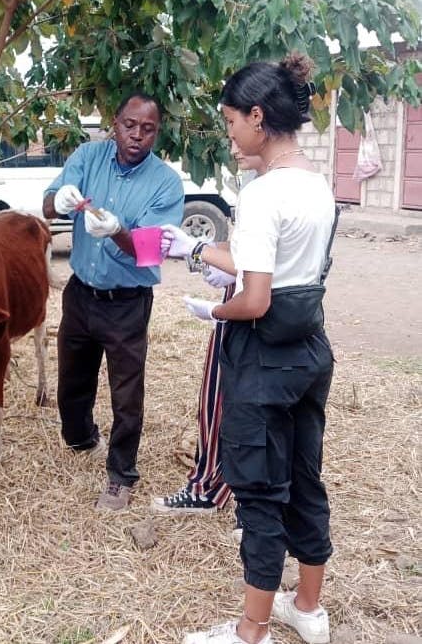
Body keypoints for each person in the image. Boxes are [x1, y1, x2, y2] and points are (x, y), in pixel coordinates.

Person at [162, 53, 336, 644]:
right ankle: (307, 608)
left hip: (263, 357)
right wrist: (195, 251)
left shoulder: (261, 194)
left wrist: (214, 309)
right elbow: (270, 265)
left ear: (258, 117)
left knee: (261, 494)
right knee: (304, 479)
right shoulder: (317, 186)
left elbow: (255, 297)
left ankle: (249, 632)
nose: (230, 132)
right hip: (309, 349)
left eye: (232, 120)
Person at [42, 92, 185, 511]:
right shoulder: (88, 157)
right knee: (71, 382)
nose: (137, 136)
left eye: (148, 129)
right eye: (129, 125)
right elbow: (48, 203)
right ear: (114, 122)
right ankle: (81, 436)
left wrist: (119, 231)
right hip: (81, 293)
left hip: (126, 303)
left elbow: (151, 248)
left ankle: (121, 474)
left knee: (126, 393)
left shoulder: (165, 183)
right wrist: (61, 199)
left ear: (157, 132)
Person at [150, 151, 266, 519]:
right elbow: (247, 253)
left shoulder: (272, 190)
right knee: (219, 396)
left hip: (258, 309)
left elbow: (265, 267)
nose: (231, 146)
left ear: (259, 119)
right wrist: (219, 262)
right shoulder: (258, 181)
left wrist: (200, 250)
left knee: (238, 404)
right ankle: (215, 488)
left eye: (234, 127)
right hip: (249, 298)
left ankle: (245, 502)